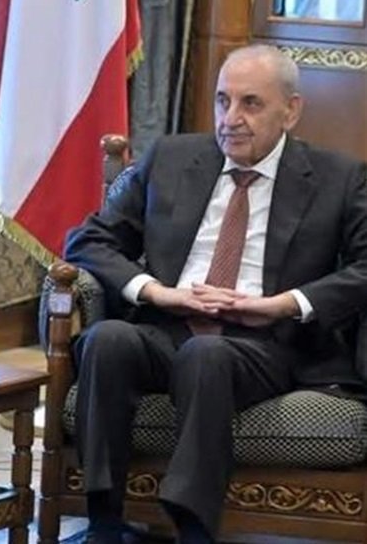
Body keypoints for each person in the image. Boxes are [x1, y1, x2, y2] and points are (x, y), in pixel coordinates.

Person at [64, 44, 367, 544]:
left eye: (251, 103)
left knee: (206, 354)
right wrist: (158, 293)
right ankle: (103, 522)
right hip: (167, 328)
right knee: (107, 339)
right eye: (223, 100)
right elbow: (88, 240)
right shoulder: (171, 158)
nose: (231, 119)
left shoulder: (338, 177)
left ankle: (193, 528)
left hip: (265, 344)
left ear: (290, 111)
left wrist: (285, 304)